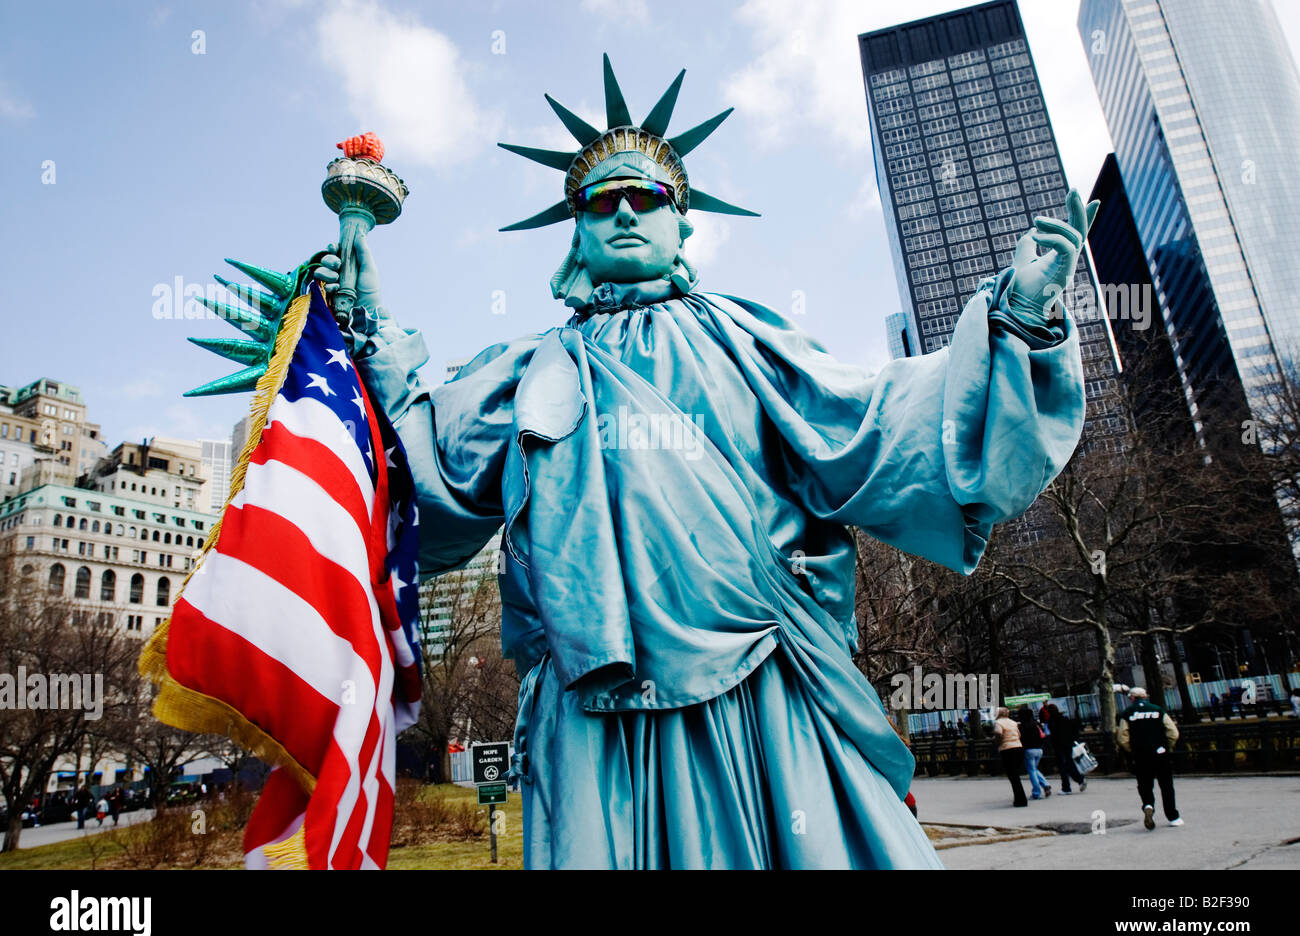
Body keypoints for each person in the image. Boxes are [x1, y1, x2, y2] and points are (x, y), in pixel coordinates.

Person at [309, 56, 1095, 869]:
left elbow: (884, 423)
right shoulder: (524, 370)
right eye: (598, 200)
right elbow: (412, 472)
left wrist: (1021, 318)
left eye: (645, 197)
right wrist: (359, 330)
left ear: (682, 222)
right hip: (594, 709)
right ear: (575, 226)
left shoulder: (748, 342)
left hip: (766, 684)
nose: (622, 212)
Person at [1116, 687, 1183, 829]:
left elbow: (1122, 737)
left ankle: (1148, 805)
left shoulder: (1128, 713)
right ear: (1145, 697)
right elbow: (1173, 732)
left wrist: (1132, 749)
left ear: (1132, 698)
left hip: (1141, 755)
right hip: (1160, 752)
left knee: (1145, 784)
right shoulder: (1158, 710)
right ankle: (1173, 817)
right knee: (1166, 786)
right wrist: (1167, 746)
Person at [1046, 702, 1086, 794]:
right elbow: (1074, 727)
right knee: (1069, 763)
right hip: (1067, 744)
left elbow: (1053, 734)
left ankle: (1067, 787)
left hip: (1059, 746)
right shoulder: (1064, 719)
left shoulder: (1052, 721)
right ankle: (1079, 779)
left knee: (1062, 767)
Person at [993, 707, 1028, 807]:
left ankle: (1020, 800)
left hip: (1007, 749)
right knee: (1015, 775)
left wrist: (998, 742)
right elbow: (1019, 735)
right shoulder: (1013, 722)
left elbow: (998, 733)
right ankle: (1020, 798)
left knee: (1012, 776)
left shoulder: (999, 723)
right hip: (1018, 747)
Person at [1017, 705, 1051, 799]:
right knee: (1034, 769)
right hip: (1039, 749)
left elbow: (1021, 738)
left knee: (1031, 771)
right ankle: (1045, 784)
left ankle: (1037, 792)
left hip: (1029, 750)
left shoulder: (1022, 726)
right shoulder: (1036, 724)